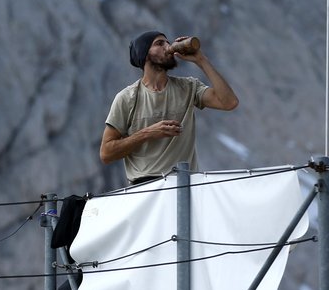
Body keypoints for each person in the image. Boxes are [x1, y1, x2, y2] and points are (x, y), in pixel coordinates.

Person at [100, 30, 238, 184]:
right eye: (159, 43)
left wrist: (201, 60)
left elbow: (229, 102)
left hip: (184, 184)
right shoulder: (126, 98)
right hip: (144, 189)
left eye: (167, 42)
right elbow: (106, 153)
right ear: (144, 54)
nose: (168, 46)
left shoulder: (188, 87)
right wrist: (147, 133)